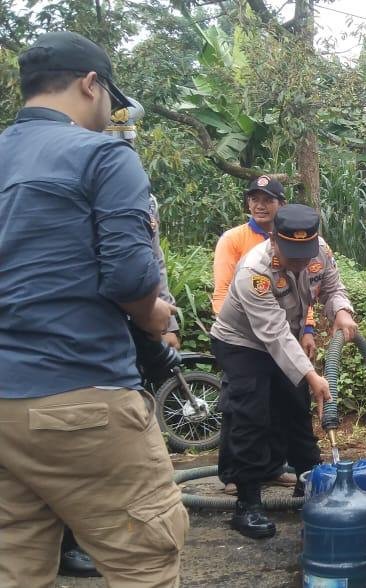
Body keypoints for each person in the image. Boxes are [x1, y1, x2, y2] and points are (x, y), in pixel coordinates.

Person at [0, 31, 186, 586]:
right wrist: (156, 317)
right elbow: (130, 277)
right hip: (81, 398)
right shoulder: (103, 155)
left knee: (14, 566)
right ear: (90, 84)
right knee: (145, 561)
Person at [58, 95, 185, 579]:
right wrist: (151, 315)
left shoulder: (138, 194)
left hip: (133, 327)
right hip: (92, 332)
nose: (122, 150)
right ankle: (72, 540)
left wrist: (166, 324)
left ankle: (98, 532)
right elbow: (123, 276)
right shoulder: (73, 184)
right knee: (77, 446)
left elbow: (153, 261)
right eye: (115, 139)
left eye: (127, 141)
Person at [209, 204, 358, 539]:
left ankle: (311, 484)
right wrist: (311, 375)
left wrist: (341, 311)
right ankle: (247, 504)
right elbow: (273, 333)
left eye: (305, 254)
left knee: (295, 407)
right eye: (293, 255)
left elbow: (332, 288)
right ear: (274, 240)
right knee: (252, 414)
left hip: (285, 336)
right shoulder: (254, 271)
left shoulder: (320, 252)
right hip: (242, 342)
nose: (301, 262)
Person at [212, 175, 308, 494]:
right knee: (247, 406)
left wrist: (308, 328)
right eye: (254, 199)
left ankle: (273, 467)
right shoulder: (237, 243)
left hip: (281, 331)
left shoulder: (305, 239)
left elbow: (312, 287)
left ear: (282, 205)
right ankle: (238, 478)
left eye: (268, 199)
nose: (260, 205)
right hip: (243, 337)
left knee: (285, 401)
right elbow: (223, 289)